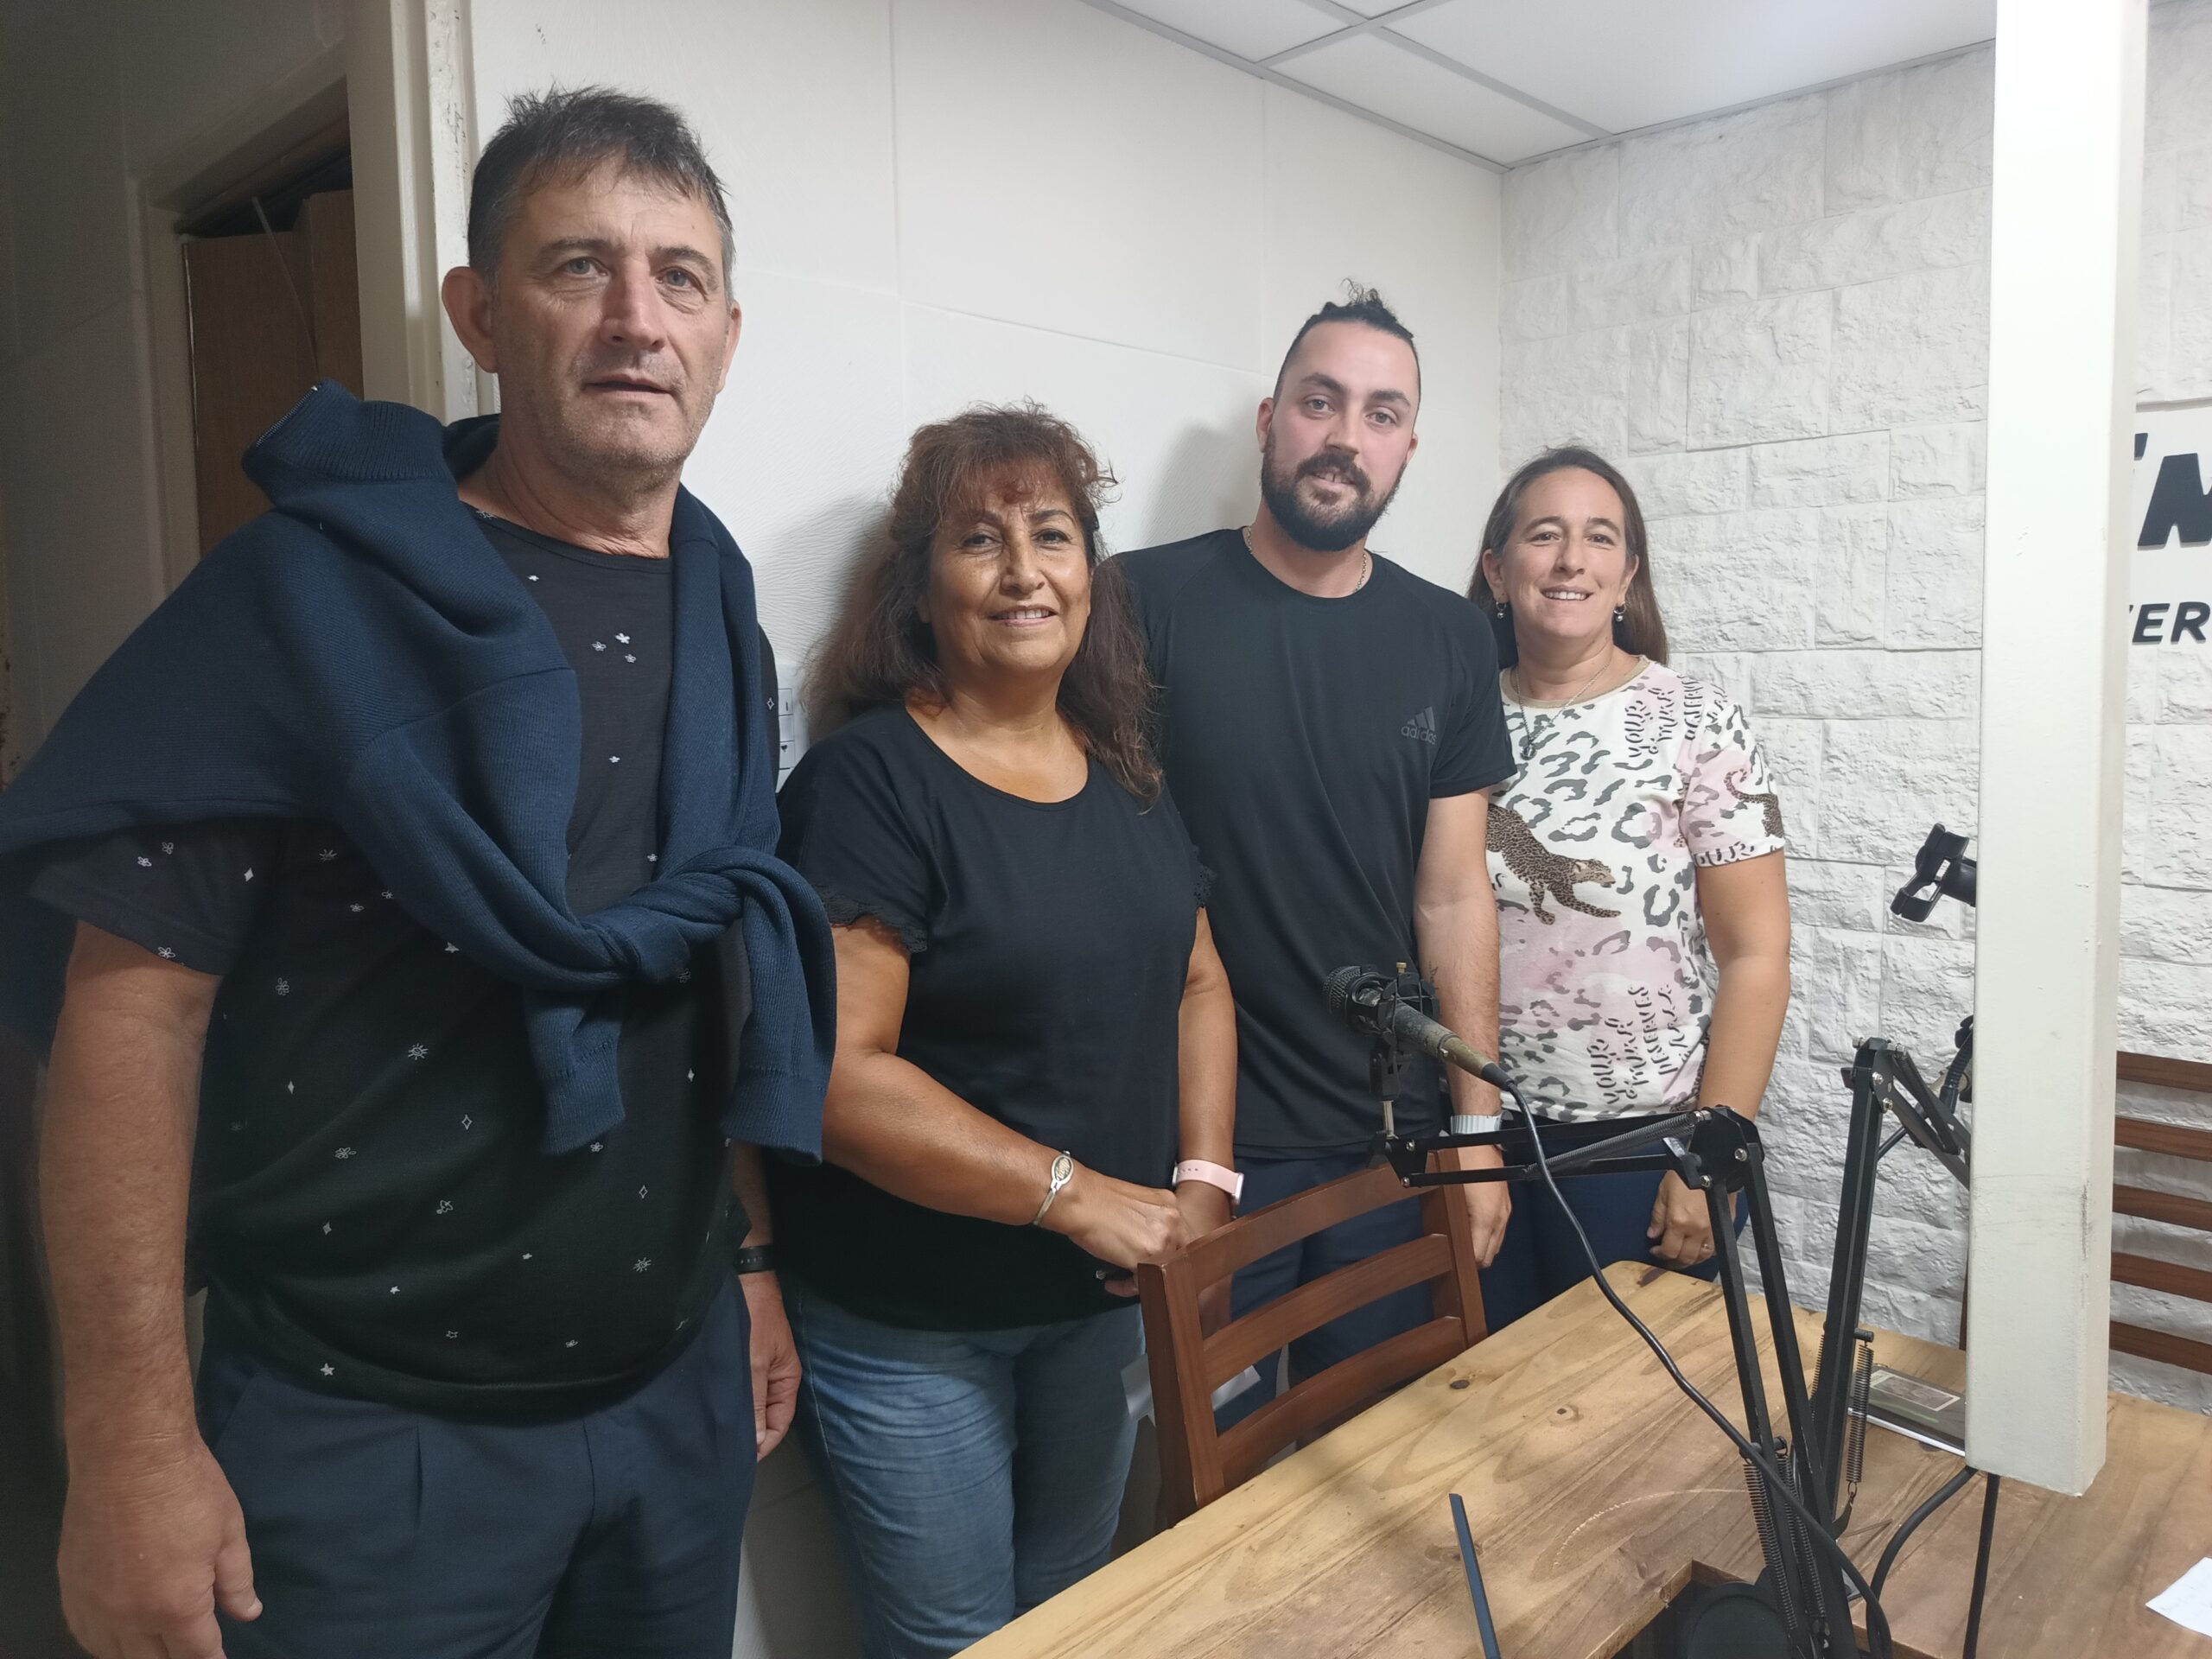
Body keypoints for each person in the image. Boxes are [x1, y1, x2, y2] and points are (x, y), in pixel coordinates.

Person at [0, 87, 834, 1659]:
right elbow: (131, 1015)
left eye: (681, 278)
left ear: (727, 336)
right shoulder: (307, 597)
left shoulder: (721, 599)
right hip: (366, 1441)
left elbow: (700, 970)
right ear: (480, 315)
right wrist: (125, 1445)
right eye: (579, 266)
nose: (638, 319)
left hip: (670, 1398)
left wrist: (748, 1260)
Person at [770, 404, 1236, 1659]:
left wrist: (1203, 1181)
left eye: (1052, 535)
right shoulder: (868, 785)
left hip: (1094, 1305)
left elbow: (1198, 983)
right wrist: (1076, 1195)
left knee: (1077, 1606)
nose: (1025, 571)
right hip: (914, 1323)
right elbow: (837, 1079)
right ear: (921, 592)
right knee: (958, 1644)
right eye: (981, 540)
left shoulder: (1125, 769)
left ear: (1090, 574)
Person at [1117, 289, 1515, 1421]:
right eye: (1319, 402)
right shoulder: (1141, 602)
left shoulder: (1448, 637)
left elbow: (1454, 895)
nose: (1346, 436)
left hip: (1387, 1146)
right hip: (1200, 1148)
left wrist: (1476, 1137)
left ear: (1408, 448)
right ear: (1269, 420)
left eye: (1381, 414)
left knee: (1376, 1463)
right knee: (1216, 1473)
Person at [1466, 446, 1791, 1328]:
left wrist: (1712, 1153)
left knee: (1626, 1409)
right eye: (1544, 535)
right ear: (1497, 570)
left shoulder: (1696, 720)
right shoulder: (1456, 720)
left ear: (1627, 575)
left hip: (1642, 1152)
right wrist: (1469, 1137)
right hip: (1480, 1141)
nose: (1571, 560)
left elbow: (1757, 954)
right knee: (1482, 1398)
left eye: (1599, 538)